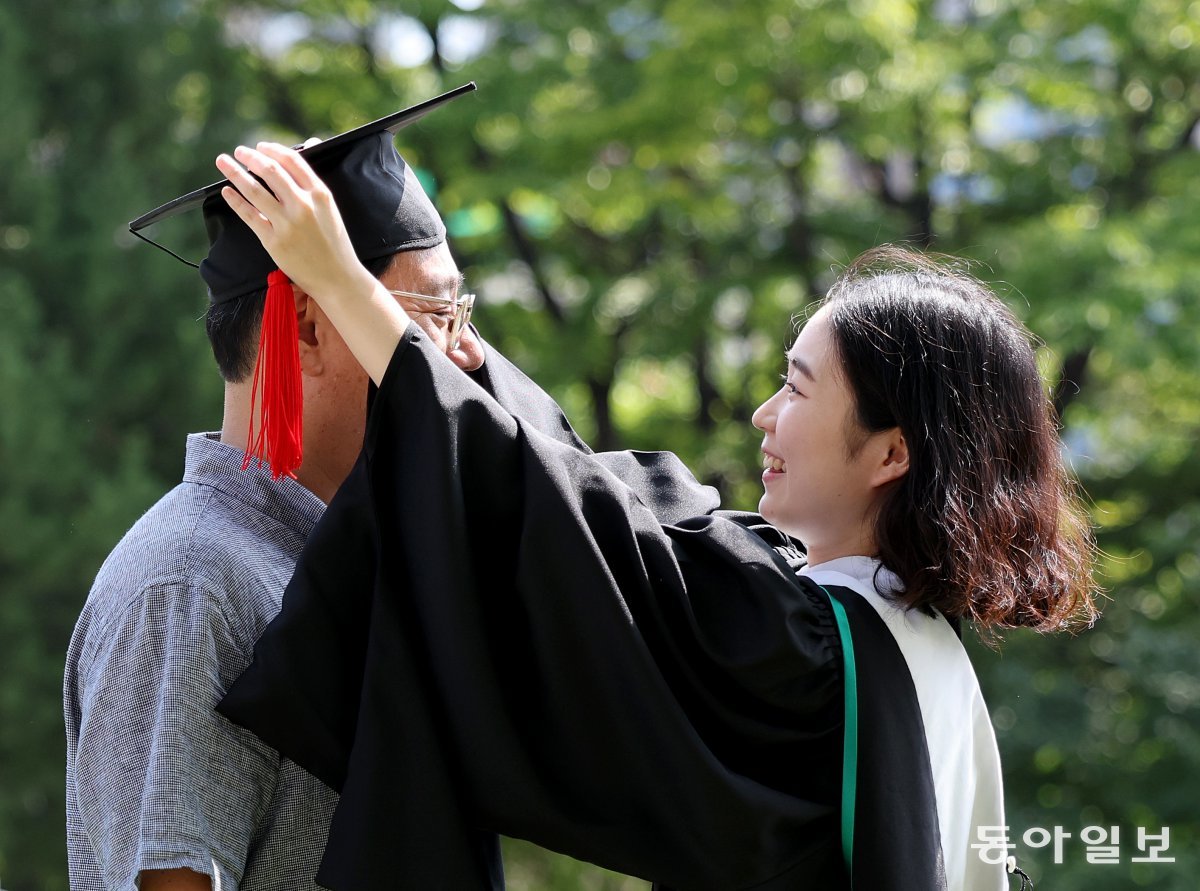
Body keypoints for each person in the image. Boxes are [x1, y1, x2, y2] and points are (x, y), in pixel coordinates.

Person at [213, 142, 1098, 891]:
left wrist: (341, 282)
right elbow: (611, 504)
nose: (763, 414)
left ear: (890, 453)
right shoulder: (913, 646)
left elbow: (571, 528)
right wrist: (468, 369)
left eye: (794, 386)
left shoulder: (804, 653)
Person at [63, 87, 618, 891]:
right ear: (313, 328)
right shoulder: (192, 582)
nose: (465, 358)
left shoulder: (364, 557)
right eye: (435, 315)